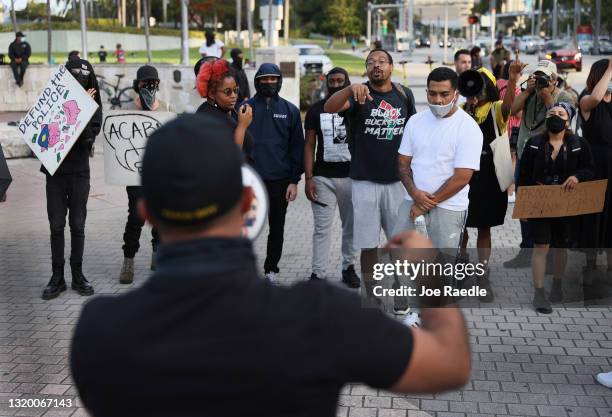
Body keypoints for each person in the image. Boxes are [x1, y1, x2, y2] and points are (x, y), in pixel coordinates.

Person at [70, 113, 471, 417]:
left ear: (147, 215)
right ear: (249, 204)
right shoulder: (320, 316)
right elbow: (450, 363)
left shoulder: (99, 333)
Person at [324, 49, 416, 310]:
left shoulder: (403, 94)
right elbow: (330, 107)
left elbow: (413, 132)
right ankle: (371, 295)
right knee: (368, 245)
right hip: (364, 182)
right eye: (371, 63)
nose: (376, 66)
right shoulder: (358, 94)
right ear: (366, 69)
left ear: (391, 67)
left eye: (382, 62)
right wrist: (349, 89)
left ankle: (401, 293)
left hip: (398, 182)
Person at [518, 103, 594, 314]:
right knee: (541, 246)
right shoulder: (534, 143)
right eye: (552, 113)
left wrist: (577, 177)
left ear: (568, 120)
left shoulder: (579, 144)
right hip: (540, 202)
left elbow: (590, 169)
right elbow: (522, 175)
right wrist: (523, 207)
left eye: (561, 114)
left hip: (566, 204)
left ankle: (558, 284)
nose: (556, 117)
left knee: (561, 247)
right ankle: (539, 293)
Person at [459, 63, 523, 301]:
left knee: (484, 227)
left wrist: (513, 79)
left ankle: (482, 275)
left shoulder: (496, 108)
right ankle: (461, 269)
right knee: (460, 227)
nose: (475, 88)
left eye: (480, 83)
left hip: (488, 176)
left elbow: (509, 106)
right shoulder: (462, 109)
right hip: (463, 177)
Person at [42, 58, 103, 300]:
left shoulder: (93, 105)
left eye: (84, 73)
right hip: (55, 172)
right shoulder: (53, 102)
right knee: (56, 225)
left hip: (79, 171)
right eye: (74, 73)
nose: (80, 76)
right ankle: (57, 276)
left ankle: (77, 274)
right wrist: (70, 106)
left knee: (77, 225)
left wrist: (84, 108)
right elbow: (46, 136)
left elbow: (88, 139)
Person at [504, 60, 575, 268]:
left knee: (551, 208)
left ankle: (551, 256)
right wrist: (526, 91)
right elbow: (510, 110)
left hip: (552, 160)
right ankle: (526, 250)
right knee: (526, 206)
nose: (541, 81)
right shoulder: (531, 93)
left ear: (554, 79)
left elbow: (561, 119)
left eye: (544, 77)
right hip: (527, 157)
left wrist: (547, 97)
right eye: (537, 77)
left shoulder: (565, 96)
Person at [246, 63, 304, 283]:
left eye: (273, 78)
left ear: (279, 81)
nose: (268, 82)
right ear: (257, 81)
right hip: (252, 182)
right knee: (247, 229)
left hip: (280, 182)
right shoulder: (245, 108)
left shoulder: (290, 110)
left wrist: (294, 181)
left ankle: (271, 270)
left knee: (276, 228)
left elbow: (296, 147)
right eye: (264, 78)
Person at [304, 67, 359, 287]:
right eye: (332, 81)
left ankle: (348, 268)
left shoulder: (357, 109)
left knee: (351, 227)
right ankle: (318, 274)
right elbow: (309, 144)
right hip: (323, 178)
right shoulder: (316, 110)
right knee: (321, 228)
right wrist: (308, 178)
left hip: (351, 177)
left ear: (347, 82)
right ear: (326, 83)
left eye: (340, 81)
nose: (336, 84)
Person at [117, 65, 172, 284]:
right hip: (134, 176)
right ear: (137, 85)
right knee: (136, 216)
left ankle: (157, 254)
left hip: (159, 175)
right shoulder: (125, 110)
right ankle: (128, 260)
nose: (149, 86)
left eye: (153, 82)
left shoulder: (166, 108)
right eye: (145, 83)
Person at [578, 58, 612, 284]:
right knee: (593, 217)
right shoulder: (587, 100)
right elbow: (598, 97)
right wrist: (610, 67)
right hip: (594, 166)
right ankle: (589, 266)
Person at [196, 59, 254, 163]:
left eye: (236, 90)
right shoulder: (207, 117)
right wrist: (242, 126)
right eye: (227, 92)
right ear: (211, 94)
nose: (234, 96)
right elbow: (232, 157)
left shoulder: (223, 111)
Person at [497, 60, 523, 203]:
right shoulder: (516, 89)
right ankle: (509, 191)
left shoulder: (499, 83)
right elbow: (518, 113)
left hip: (501, 126)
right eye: (520, 72)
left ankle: (504, 190)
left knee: (502, 160)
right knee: (512, 159)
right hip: (512, 128)